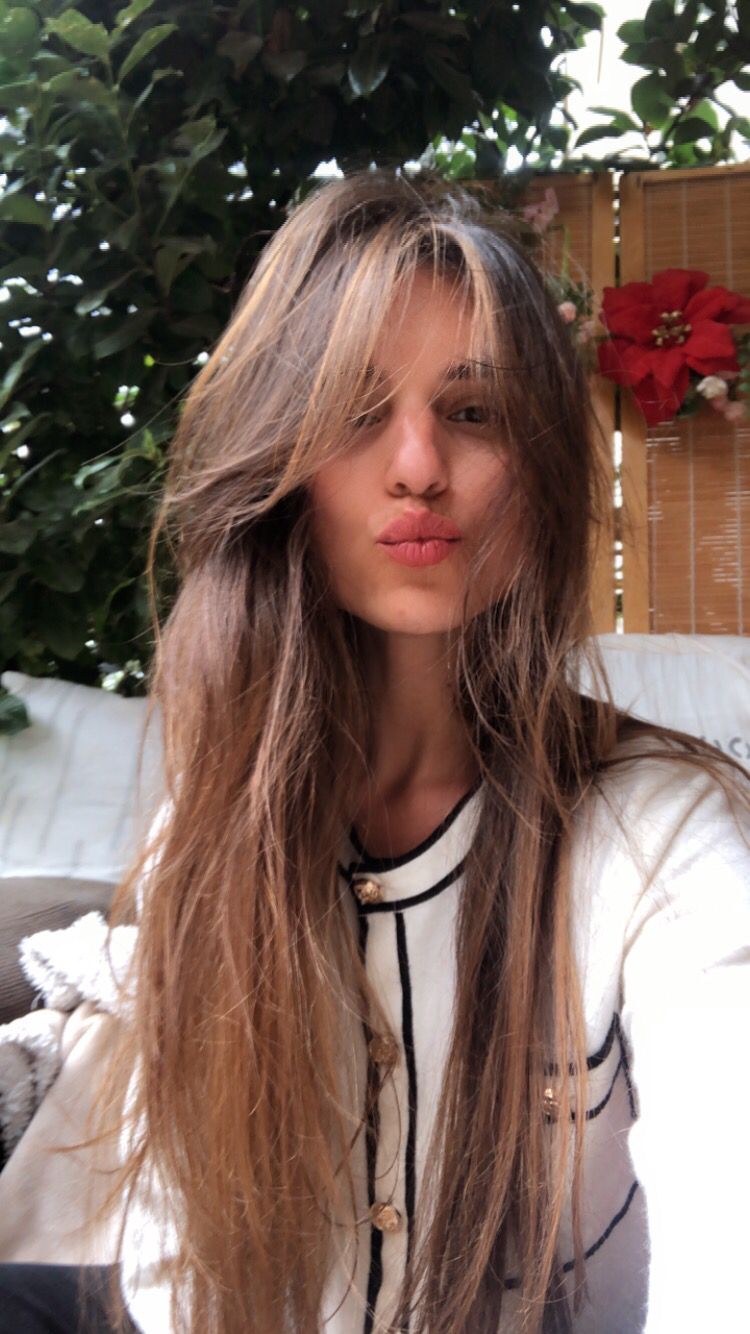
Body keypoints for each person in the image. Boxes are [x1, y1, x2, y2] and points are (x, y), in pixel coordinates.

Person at [1, 170, 749, 1334]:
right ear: (280, 464)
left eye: (474, 411)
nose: (416, 465)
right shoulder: (224, 810)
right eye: (355, 409)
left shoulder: (661, 834)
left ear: (542, 465)